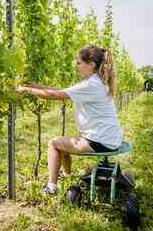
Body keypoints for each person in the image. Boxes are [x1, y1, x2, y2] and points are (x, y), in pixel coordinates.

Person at [17, 45, 122, 195]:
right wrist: (35, 86)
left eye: (79, 63)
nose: (76, 66)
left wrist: (28, 90)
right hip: (110, 138)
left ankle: (51, 188)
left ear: (91, 64)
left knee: (53, 144)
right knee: (65, 142)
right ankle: (67, 177)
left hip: (99, 141)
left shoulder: (90, 85)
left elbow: (56, 95)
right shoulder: (96, 82)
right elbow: (61, 90)